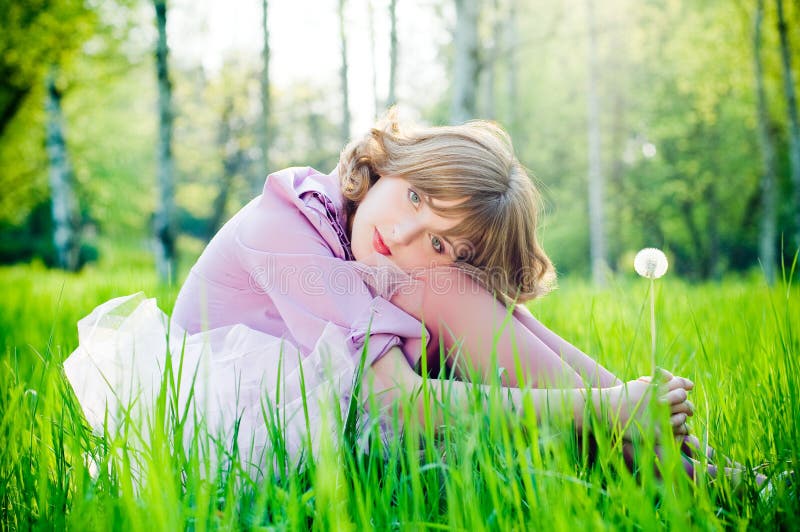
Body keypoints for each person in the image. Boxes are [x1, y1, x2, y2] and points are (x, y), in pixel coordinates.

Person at [65, 114, 707, 480]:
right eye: (416, 197)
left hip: (317, 409)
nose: (401, 235)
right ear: (389, 164)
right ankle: (664, 451)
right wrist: (595, 405)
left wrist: (607, 402)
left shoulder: (363, 239)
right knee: (446, 286)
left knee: (459, 285)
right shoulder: (286, 223)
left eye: (439, 240)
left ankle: (680, 453)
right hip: (229, 438)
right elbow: (397, 402)